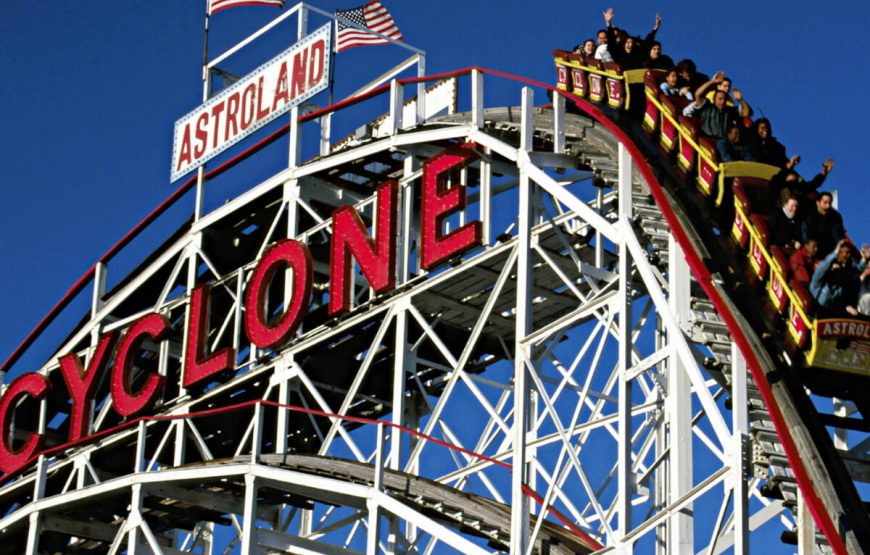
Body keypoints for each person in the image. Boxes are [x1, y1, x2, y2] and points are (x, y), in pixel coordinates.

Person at [682, 71, 752, 138]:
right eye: (720, 99)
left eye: (724, 99)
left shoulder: (729, 109)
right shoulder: (708, 106)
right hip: (707, 137)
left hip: (723, 139)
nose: (722, 101)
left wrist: (740, 99)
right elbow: (697, 95)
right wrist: (712, 82)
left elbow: (746, 112)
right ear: (714, 99)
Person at [809, 240, 868, 317]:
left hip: (827, 320)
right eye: (842, 252)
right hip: (811, 316)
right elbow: (823, 266)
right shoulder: (818, 280)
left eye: (848, 253)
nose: (845, 255)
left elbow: (855, 272)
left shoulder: (839, 288)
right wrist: (835, 253)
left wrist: (864, 259)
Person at [768, 155, 833, 209]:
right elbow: (780, 175)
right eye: (791, 176)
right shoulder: (778, 185)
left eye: (795, 178)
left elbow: (813, 184)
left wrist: (824, 173)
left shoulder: (799, 188)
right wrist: (791, 164)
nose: (793, 178)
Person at [801, 191, 845, 256]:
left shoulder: (835, 217)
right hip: (812, 248)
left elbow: (837, 235)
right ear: (818, 203)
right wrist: (809, 244)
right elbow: (805, 233)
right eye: (825, 203)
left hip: (828, 251)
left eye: (830, 203)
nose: (828, 206)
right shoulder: (809, 215)